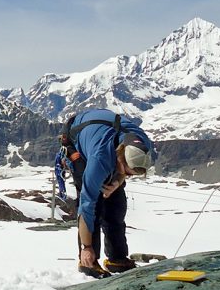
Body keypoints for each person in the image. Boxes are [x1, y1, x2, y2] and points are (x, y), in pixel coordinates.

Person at [58, 109, 154, 279]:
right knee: (94, 207)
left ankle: (117, 258)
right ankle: (88, 261)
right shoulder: (100, 159)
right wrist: (86, 248)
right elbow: (86, 207)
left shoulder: (144, 146)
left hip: (103, 133)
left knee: (116, 205)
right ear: (119, 157)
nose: (130, 176)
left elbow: (125, 171)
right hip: (77, 138)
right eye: (129, 172)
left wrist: (118, 181)